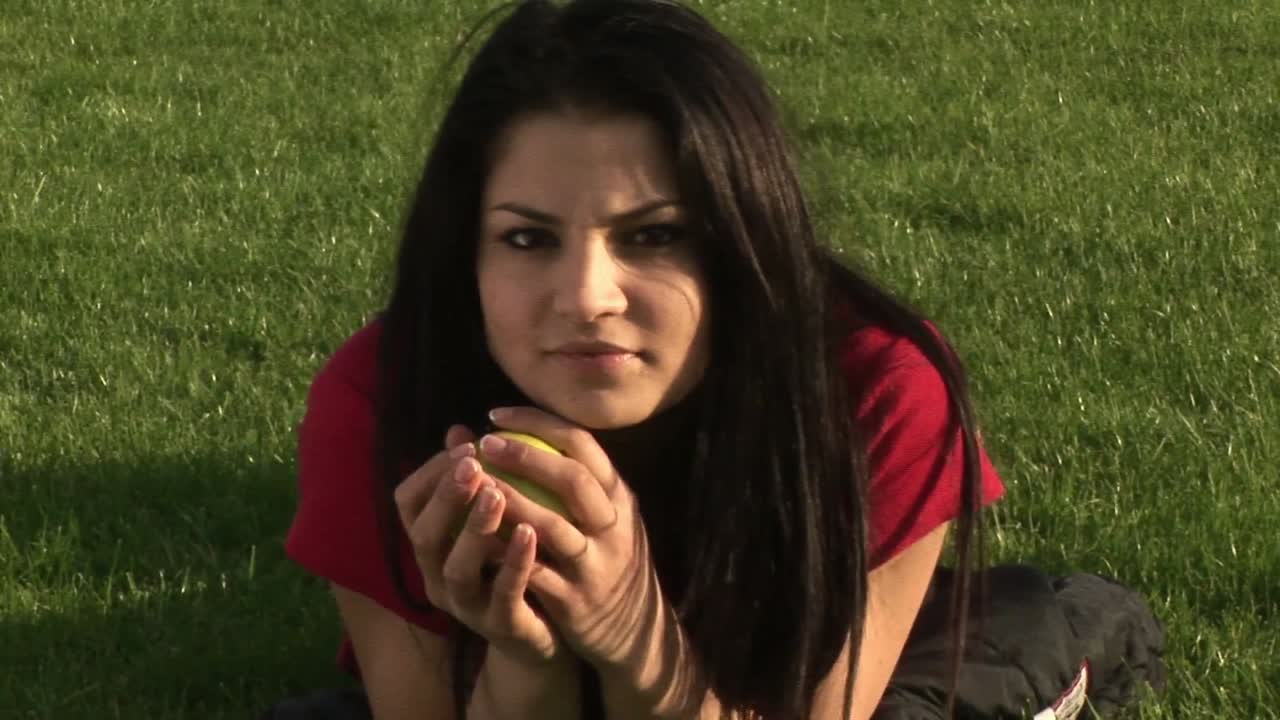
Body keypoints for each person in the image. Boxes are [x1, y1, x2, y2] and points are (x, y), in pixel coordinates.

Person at [274, 2, 1162, 719]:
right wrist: (524, 656)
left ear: (742, 242)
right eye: (526, 237)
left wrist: (635, 640)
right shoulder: (380, 398)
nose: (587, 296)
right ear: (464, 251)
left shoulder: (875, 390)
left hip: (777, 671)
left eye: (655, 235)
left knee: (968, 668)